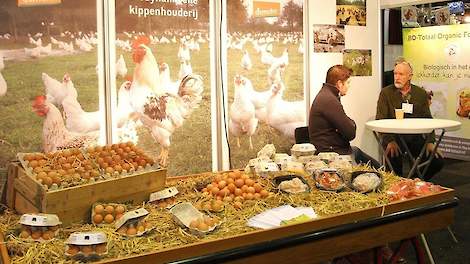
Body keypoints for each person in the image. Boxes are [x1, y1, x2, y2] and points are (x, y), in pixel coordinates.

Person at [376, 58, 444, 180]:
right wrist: (389, 140)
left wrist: (430, 141)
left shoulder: (420, 93)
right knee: (392, 161)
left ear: (410, 76)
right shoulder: (386, 93)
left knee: (437, 161)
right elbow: (380, 119)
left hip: (415, 137)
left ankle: (412, 181)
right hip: (394, 137)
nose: (397, 77)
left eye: (401, 74)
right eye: (395, 74)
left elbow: (428, 119)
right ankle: (398, 185)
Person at [309, 64, 380, 168]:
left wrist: (346, 125)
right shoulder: (329, 100)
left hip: (335, 149)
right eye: (348, 83)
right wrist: (351, 124)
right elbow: (350, 132)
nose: (349, 86)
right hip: (334, 155)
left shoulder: (327, 95)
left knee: (376, 165)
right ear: (339, 84)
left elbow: (346, 127)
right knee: (373, 172)